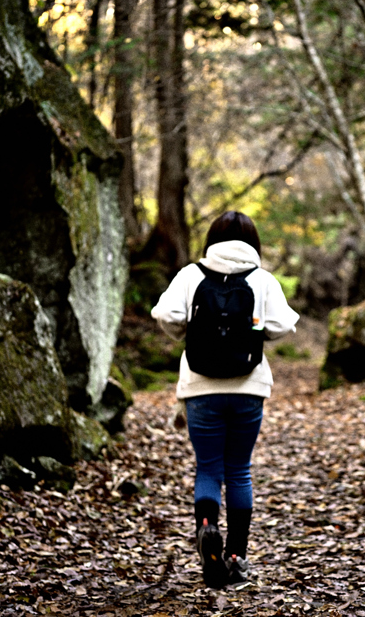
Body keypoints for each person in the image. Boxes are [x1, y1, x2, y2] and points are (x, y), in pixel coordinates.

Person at [151, 211, 299, 588]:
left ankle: (207, 528)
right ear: (254, 242)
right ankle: (235, 557)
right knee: (239, 470)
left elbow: (165, 315)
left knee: (208, 468)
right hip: (248, 388)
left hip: (200, 389)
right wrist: (255, 332)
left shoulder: (190, 275)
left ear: (211, 239)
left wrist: (185, 333)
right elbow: (284, 325)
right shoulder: (262, 279)